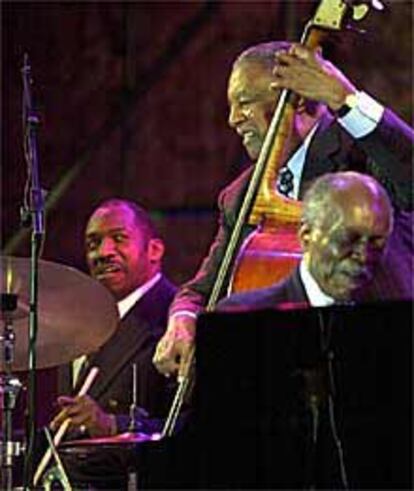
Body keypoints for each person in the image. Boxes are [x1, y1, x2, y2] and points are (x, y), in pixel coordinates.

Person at [153, 41, 413, 379]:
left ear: (298, 100)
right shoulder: (242, 195)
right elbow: (203, 288)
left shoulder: (363, 155)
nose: (233, 120)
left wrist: (345, 99)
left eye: (244, 103)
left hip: (381, 371)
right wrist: (183, 318)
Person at [48, 199, 177, 488]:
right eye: (93, 243)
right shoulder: (78, 325)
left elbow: (197, 426)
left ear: (154, 250)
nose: (103, 252)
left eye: (119, 239)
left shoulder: (178, 320)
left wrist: (111, 425)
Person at [216, 171, 394, 310]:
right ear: (306, 236)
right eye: (348, 238)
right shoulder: (242, 315)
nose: (363, 255)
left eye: (376, 242)